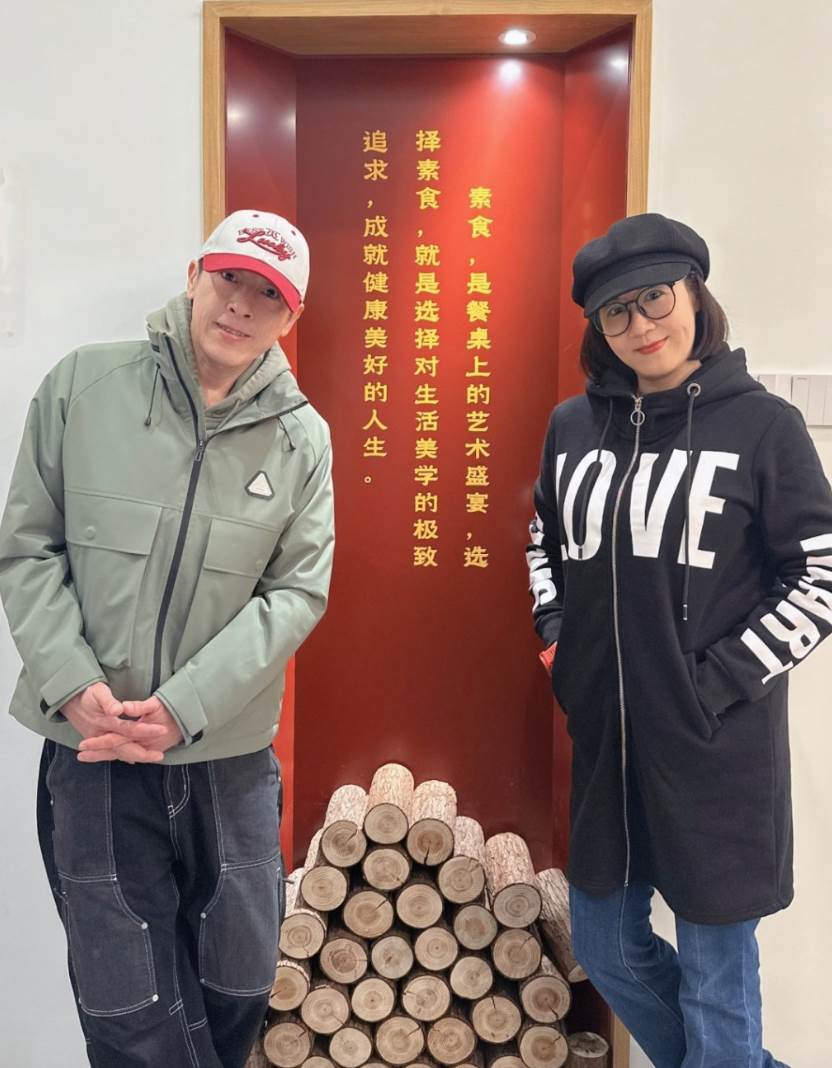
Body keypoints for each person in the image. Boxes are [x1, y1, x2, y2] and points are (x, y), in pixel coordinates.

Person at [0, 209, 334, 1067]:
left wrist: (184, 706)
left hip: (226, 757)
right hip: (95, 749)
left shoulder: (301, 439)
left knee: (241, 983)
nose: (242, 305)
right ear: (194, 277)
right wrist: (71, 683)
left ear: (291, 316)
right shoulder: (83, 387)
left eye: (269, 295)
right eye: (230, 280)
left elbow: (296, 592)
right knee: (127, 1005)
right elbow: (28, 546)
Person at [526, 212, 832, 1067]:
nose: (641, 325)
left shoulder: (763, 427)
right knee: (609, 949)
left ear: (694, 295)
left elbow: (820, 572)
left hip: (716, 749)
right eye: (616, 312)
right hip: (610, 749)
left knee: (715, 982)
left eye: (656, 298)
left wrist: (717, 682)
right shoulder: (572, 428)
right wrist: (562, 649)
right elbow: (543, 542)